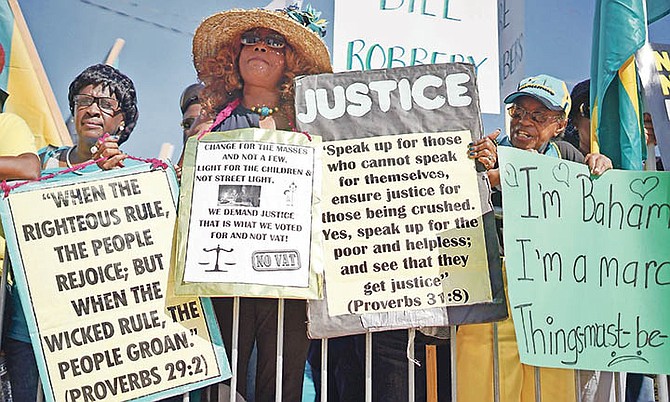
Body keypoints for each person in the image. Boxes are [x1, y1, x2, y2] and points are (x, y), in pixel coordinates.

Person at [190, 5, 331, 402]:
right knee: (220, 385)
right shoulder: (209, 127)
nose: (261, 49)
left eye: (275, 43)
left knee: (282, 387)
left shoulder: (312, 126)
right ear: (234, 55)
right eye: (251, 40)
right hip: (225, 276)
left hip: (291, 280)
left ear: (291, 61)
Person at [458, 74, 613, 402]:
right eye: (519, 112)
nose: (524, 122)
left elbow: (594, 201)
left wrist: (602, 165)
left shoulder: (569, 157)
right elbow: (454, 175)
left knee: (552, 389)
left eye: (538, 116)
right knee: (486, 389)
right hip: (495, 292)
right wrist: (475, 166)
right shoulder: (485, 149)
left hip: (552, 297)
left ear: (559, 124)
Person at [3, 63, 138, 401]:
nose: (93, 109)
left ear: (123, 121)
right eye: (84, 100)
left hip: (98, 335)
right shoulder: (41, 162)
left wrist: (115, 178)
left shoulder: (138, 175)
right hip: (29, 330)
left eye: (107, 104)